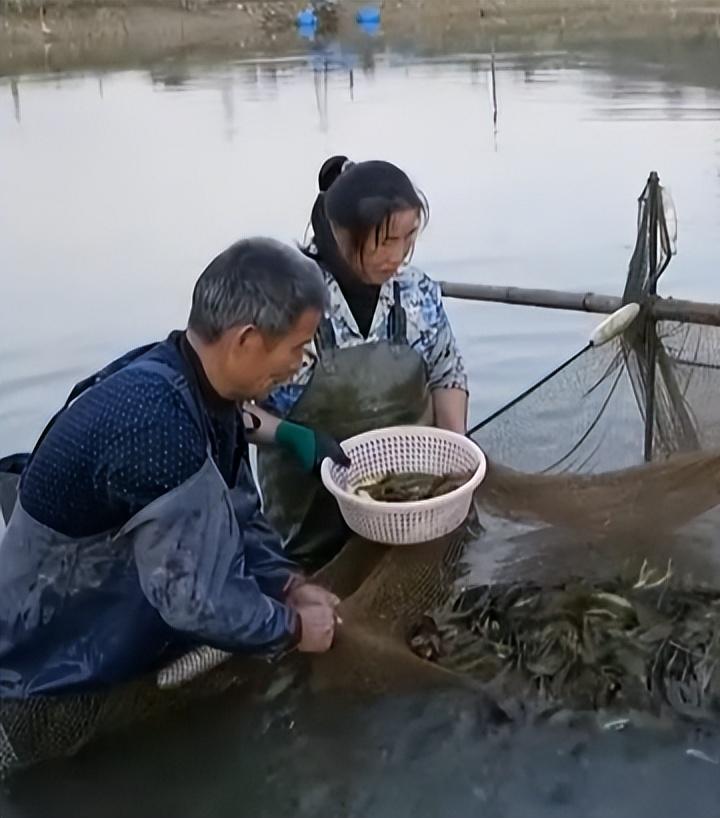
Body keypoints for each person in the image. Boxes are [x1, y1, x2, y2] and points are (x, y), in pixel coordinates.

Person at [0, 238, 341, 698]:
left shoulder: (200, 382)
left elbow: (235, 509)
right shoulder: (157, 425)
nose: (299, 365)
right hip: (45, 642)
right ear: (246, 340)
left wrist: (287, 583)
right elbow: (193, 601)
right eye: (298, 348)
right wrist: (294, 628)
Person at [246, 156, 469, 573]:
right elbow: (235, 409)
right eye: (384, 241)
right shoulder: (291, 303)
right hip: (308, 527)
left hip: (414, 509)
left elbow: (446, 370)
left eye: (408, 239)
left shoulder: (416, 293)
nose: (397, 256)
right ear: (341, 234)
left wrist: (454, 448)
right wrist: (292, 436)